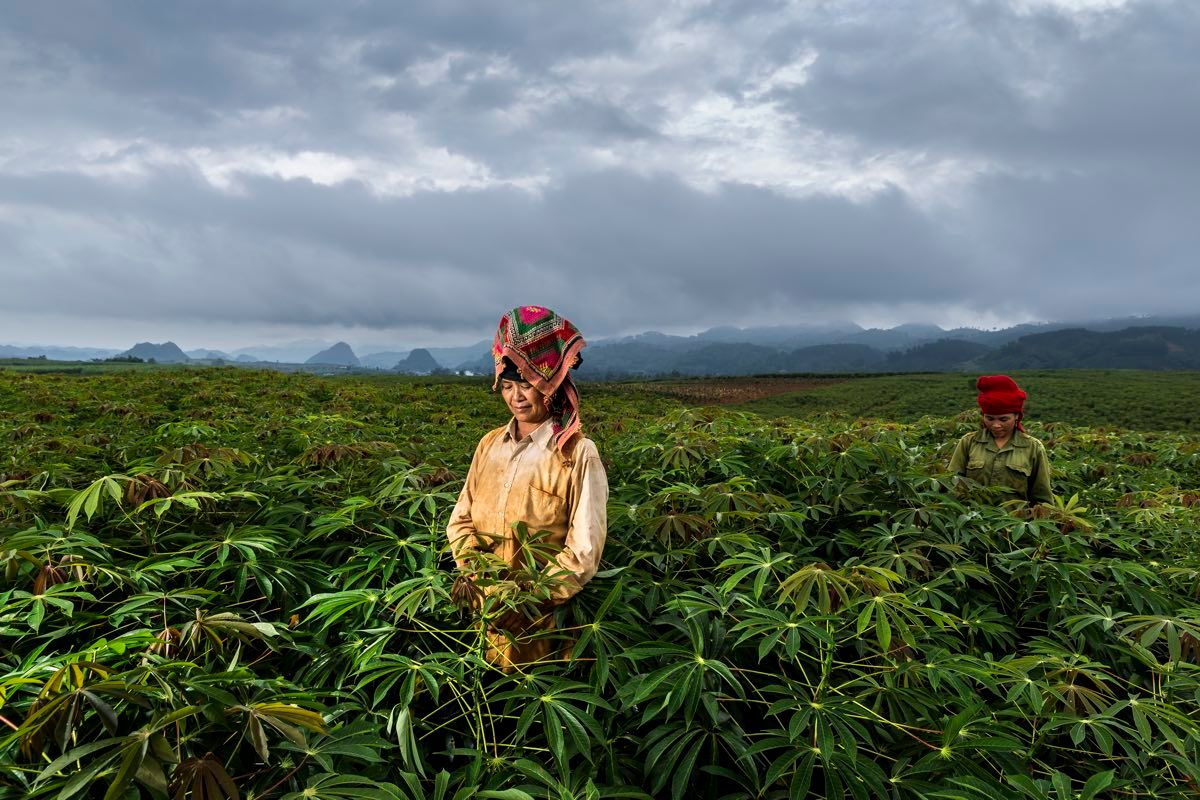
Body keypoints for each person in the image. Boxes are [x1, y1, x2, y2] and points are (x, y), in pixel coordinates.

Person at [446, 306, 608, 671]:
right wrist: (477, 577)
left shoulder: (577, 453)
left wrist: (528, 602)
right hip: (484, 615)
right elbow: (460, 520)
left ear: (550, 387)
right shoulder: (489, 444)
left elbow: (583, 550)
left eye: (527, 385)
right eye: (508, 386)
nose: (516, 396)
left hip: (541, 629)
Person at [948, 375, 1054, 504]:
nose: (996, 425)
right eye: (990, 419)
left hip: (1014, 522)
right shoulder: (968, 442)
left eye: (1003, 419)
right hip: (972, 520)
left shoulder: (1033, 447)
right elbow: (952, 483)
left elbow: (1042, 496)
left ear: (1016, 416)